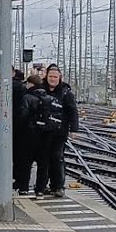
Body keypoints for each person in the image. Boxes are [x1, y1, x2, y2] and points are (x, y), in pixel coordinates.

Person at [35, 63, 79, 198]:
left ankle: (58, 186)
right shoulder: (40, 90)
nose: (53, 79)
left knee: (57, 157)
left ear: (60, 77)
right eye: (50, 76)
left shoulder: (66, 92)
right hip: (42, 131)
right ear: (46, 76)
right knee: (43, 160)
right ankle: (41, 187)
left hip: (59, 132)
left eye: (55, 77)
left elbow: (73, 111)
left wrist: (74, 129)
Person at [15, 72, 45, 196]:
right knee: (43, 163)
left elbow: (22, 116)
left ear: (31, 84)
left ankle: (24, 187)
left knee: (25, 163)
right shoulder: (47, 96)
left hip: (28, 134)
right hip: (44, 134)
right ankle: (40, 189)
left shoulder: (27, 97)